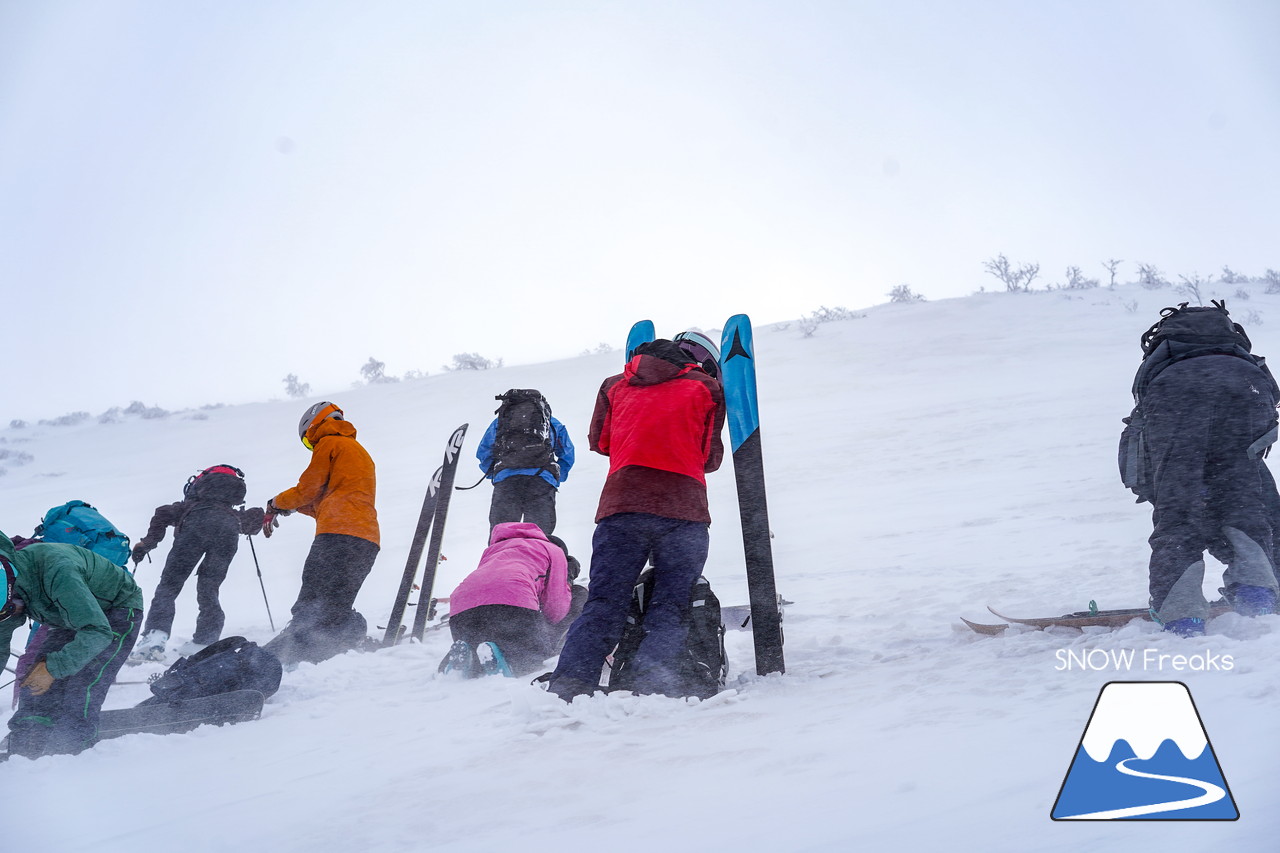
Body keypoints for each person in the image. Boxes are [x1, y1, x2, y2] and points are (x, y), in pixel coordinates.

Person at [547, 330, 726, 700]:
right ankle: (649, 683)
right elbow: (711, 458)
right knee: (671, 604)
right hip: (684, 508)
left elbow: (600, 442)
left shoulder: (614, 385)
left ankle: (569, 683)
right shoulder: (706, 388)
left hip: (621, 506)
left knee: (604, 603)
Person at [1123, 302, 1280, 636]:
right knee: (1245, 501)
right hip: (1247, 394)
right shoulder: (1238, 355)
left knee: (1179, 511)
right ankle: (1257, 596)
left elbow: (1143, 439)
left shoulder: (1164, 361)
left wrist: (1162, 489)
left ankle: (1183, 616)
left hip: (1174, 401)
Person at [0, 530, 143, 758]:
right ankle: (25, 748)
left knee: (83, 687)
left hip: (115, 611)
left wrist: (53, 668)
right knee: (33, 684)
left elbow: (97, 631)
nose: (10, 614)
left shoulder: (56, 569)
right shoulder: (8, 590)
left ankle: (70, 753)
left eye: (9, 609)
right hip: (68, 616)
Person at [261, 402, 380, 665]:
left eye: (307, 442)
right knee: (337, 605)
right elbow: (330, 502)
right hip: (367, 539)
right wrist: (291, 508)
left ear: (313, 426)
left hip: (336, 536)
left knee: (312, 601)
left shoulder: (329, 443)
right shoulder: (360, 452)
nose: (311, 446)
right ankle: (330, 650)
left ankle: (288, 655)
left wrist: (275, 503)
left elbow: (308, 489)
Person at [129, 465, 266, 662]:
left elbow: (162, 512)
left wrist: (147, 543)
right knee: (209, 588)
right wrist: (259, 515)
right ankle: (205, 641)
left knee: (169, 586)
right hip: (228, 533)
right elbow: (250, 524)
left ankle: (154, 640)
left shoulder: (189, 505)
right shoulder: (231, 512)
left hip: (194, 528)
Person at [438, 521, 581, 677]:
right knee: (535, 659)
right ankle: (508, 661)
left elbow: (488, 589)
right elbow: (556, 608)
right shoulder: (554, 550)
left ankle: (467, 658)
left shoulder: (493, 550)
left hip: (462, 609)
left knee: (483, 638)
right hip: (513, 602)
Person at [474, 389, 575, 535]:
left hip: (507, 483)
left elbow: (484, 452)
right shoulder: (551, 423)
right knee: (539, 537)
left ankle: (503, 556)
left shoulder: (501, 422)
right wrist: (556, 477)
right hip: (541, 482)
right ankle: (536, 557)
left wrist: (496, 474)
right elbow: (567, 453)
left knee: (502, 536)